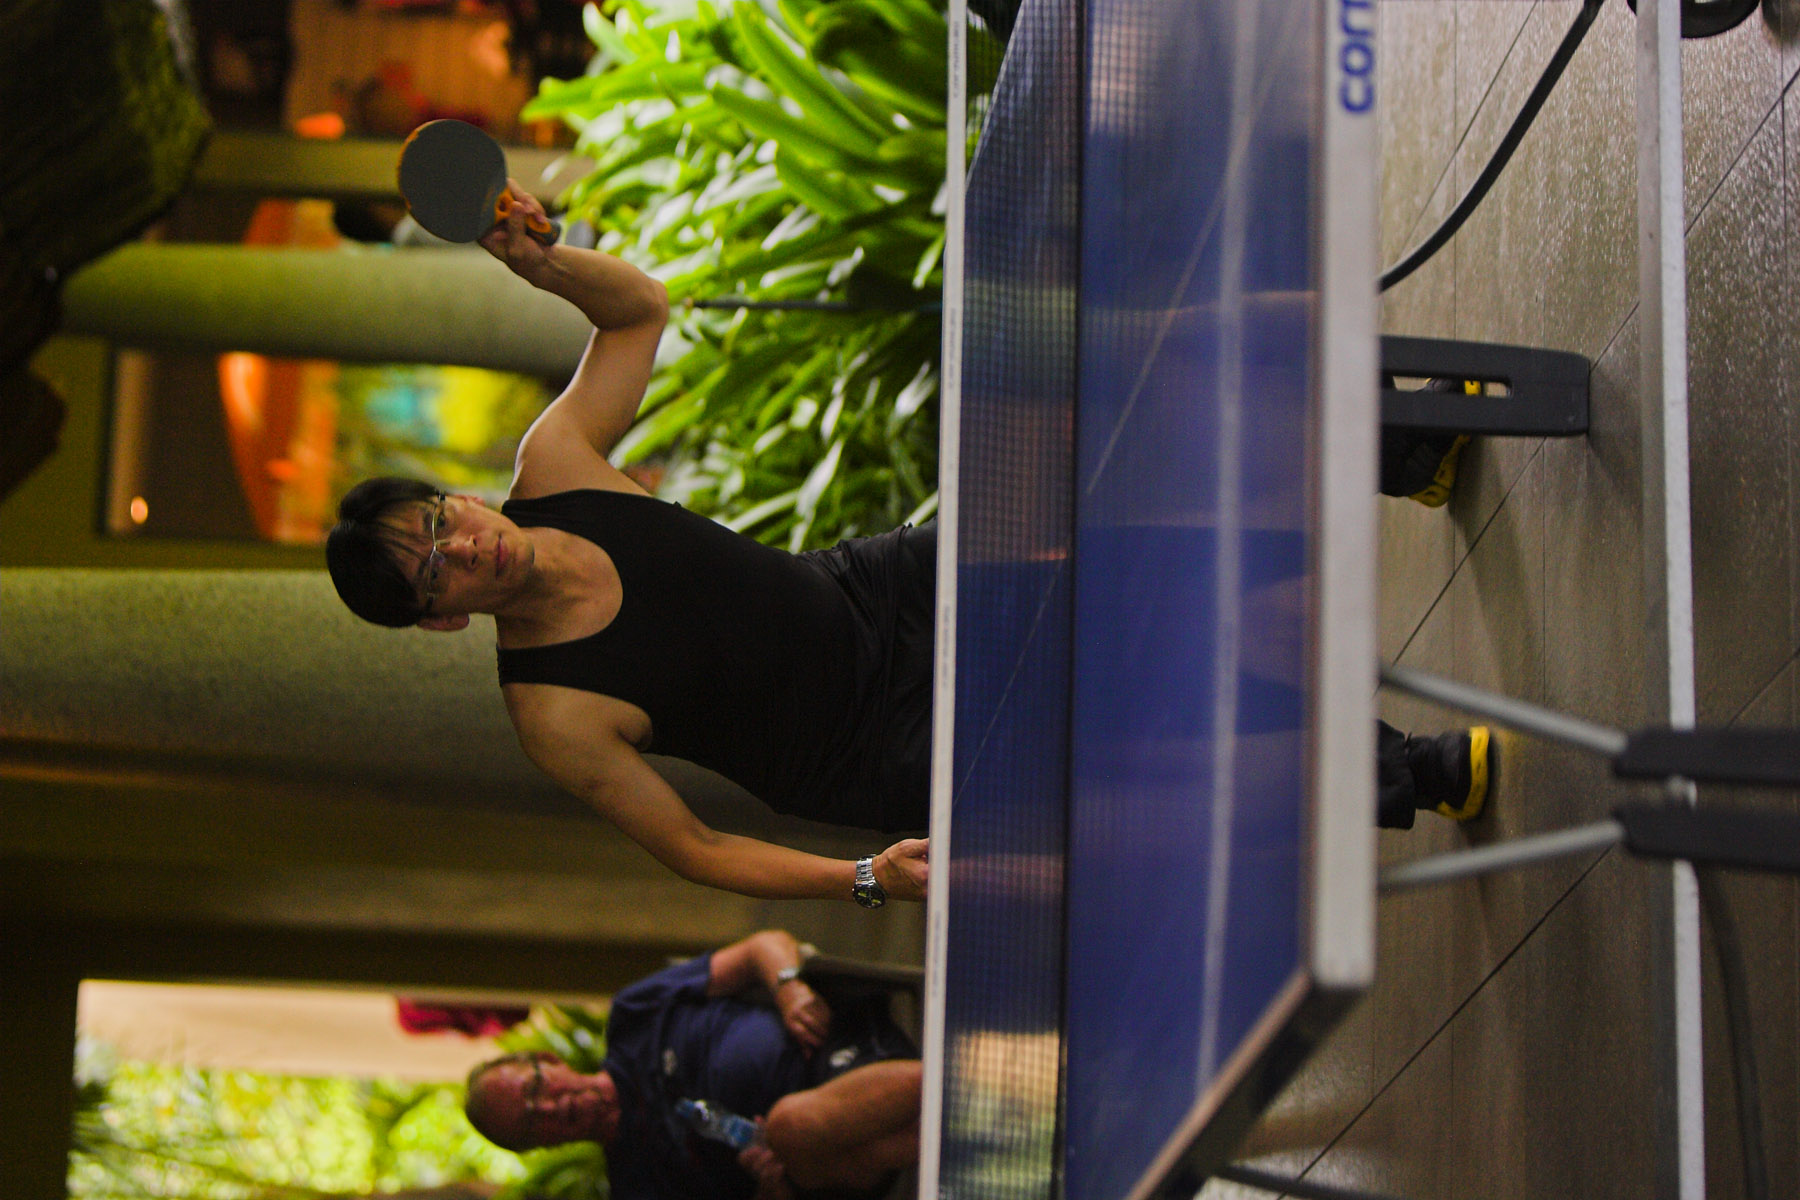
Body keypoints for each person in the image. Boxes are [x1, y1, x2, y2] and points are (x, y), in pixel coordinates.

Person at [325, 184, 932, 908]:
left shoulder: (555, 465)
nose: (462, 550)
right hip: (869, 750)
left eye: (438, 523)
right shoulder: (554, 715)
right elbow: (697, 850)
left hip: (876, 591)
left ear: (462, 500)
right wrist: (868, 877)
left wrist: (543, 265)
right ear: (443, 620)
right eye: (434, 575)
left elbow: (639, 310)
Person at [463, 929, 921, 1200]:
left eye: (535, 1090)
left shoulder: (633, 1017)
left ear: (547, 1060)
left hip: (847, 1046)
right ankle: (954, 1079)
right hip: (826, 1171)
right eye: (531, 1123)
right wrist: (770, 1192)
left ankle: (953, 1104)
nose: (548, 1108)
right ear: (538, 1148)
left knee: (807, 1132)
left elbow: (762, 947)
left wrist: (789, 990)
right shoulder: (638, 1189)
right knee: (791, 1131)